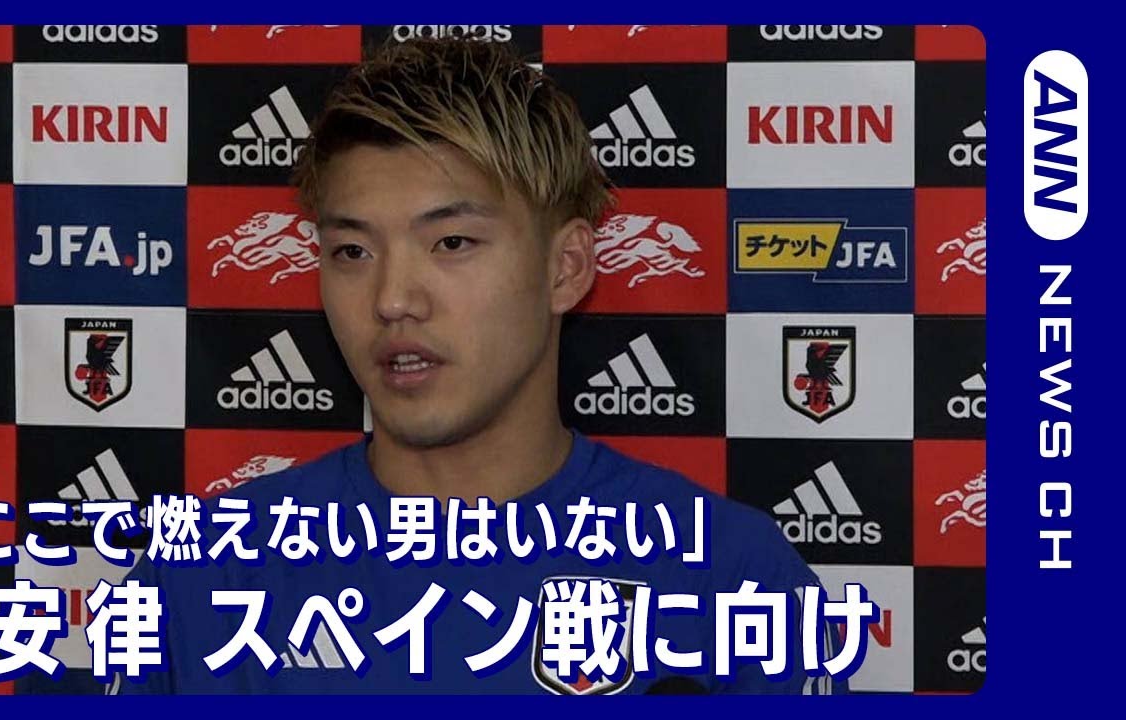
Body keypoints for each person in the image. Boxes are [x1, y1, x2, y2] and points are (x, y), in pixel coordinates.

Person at [112, 35, 844, 695]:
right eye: (352, 251)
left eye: (452, 243)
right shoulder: (201, 576)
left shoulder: (733, 580)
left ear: (566, 267)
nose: (392, 300)